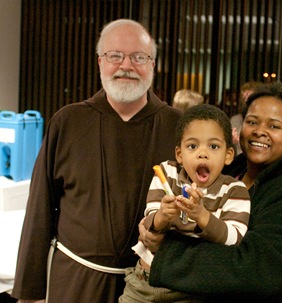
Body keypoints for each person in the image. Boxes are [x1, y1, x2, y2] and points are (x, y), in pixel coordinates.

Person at [11, 19, 182, 303]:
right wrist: (30, 291)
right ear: (100, 62)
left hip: (151, 286)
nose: (126, 65)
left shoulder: (178, 127)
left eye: (139, 57)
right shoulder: (68, 121)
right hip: (76, 281)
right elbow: (40, 208)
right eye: (115, 55)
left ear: (152, 64)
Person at [142, 82, 282, 302]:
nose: (260, 131)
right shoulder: (230, 171)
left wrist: (165, 251)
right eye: (252, 122)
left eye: (274, 126)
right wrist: (156, 223)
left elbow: (255, 268)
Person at [119, 104, 251, 302]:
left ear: (228, 155)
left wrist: (201, 215)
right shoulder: (167, 173)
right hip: (143, 283)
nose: (202, 153)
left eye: (213, 146)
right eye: (192, 146)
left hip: (191, 290)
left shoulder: (234, 190)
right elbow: (148, 223)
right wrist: (163, 214)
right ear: (179, 154)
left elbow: (234, 239)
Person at [230, 81, 263, 155]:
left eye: (249, 98)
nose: (246, 102)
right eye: (244, 98)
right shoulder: (235, 119)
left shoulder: (263, 121)